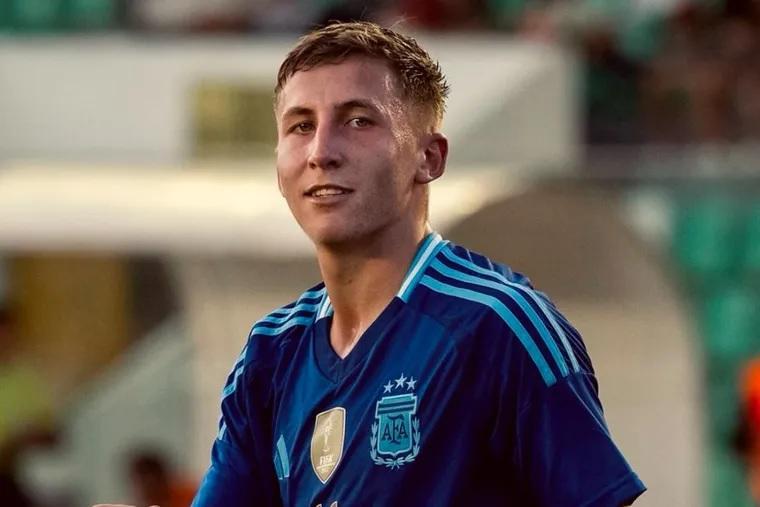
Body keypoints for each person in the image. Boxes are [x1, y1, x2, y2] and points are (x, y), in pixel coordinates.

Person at [99, 20, 646, 507]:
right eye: (300, 126)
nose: (321, 152)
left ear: (429, 157)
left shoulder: (497, 325)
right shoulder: (269, 353)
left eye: (358, 121)